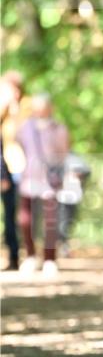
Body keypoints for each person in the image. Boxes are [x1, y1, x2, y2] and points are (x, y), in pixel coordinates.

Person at [17, 93, 70, 276]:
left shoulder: (58, 128)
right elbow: (19, 145)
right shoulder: (26, 127)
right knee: (25, 219)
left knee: (50, 221)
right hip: (29, 177)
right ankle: (30, 255)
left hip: (49, 180)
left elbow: (63, 153)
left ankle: (49, 259)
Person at [0, 71, 26, 271]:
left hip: (20, 168)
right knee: (10, 215)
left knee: (17, 214)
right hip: (5, 168)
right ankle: (14, 254)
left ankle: (19, 254)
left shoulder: (26, 109)